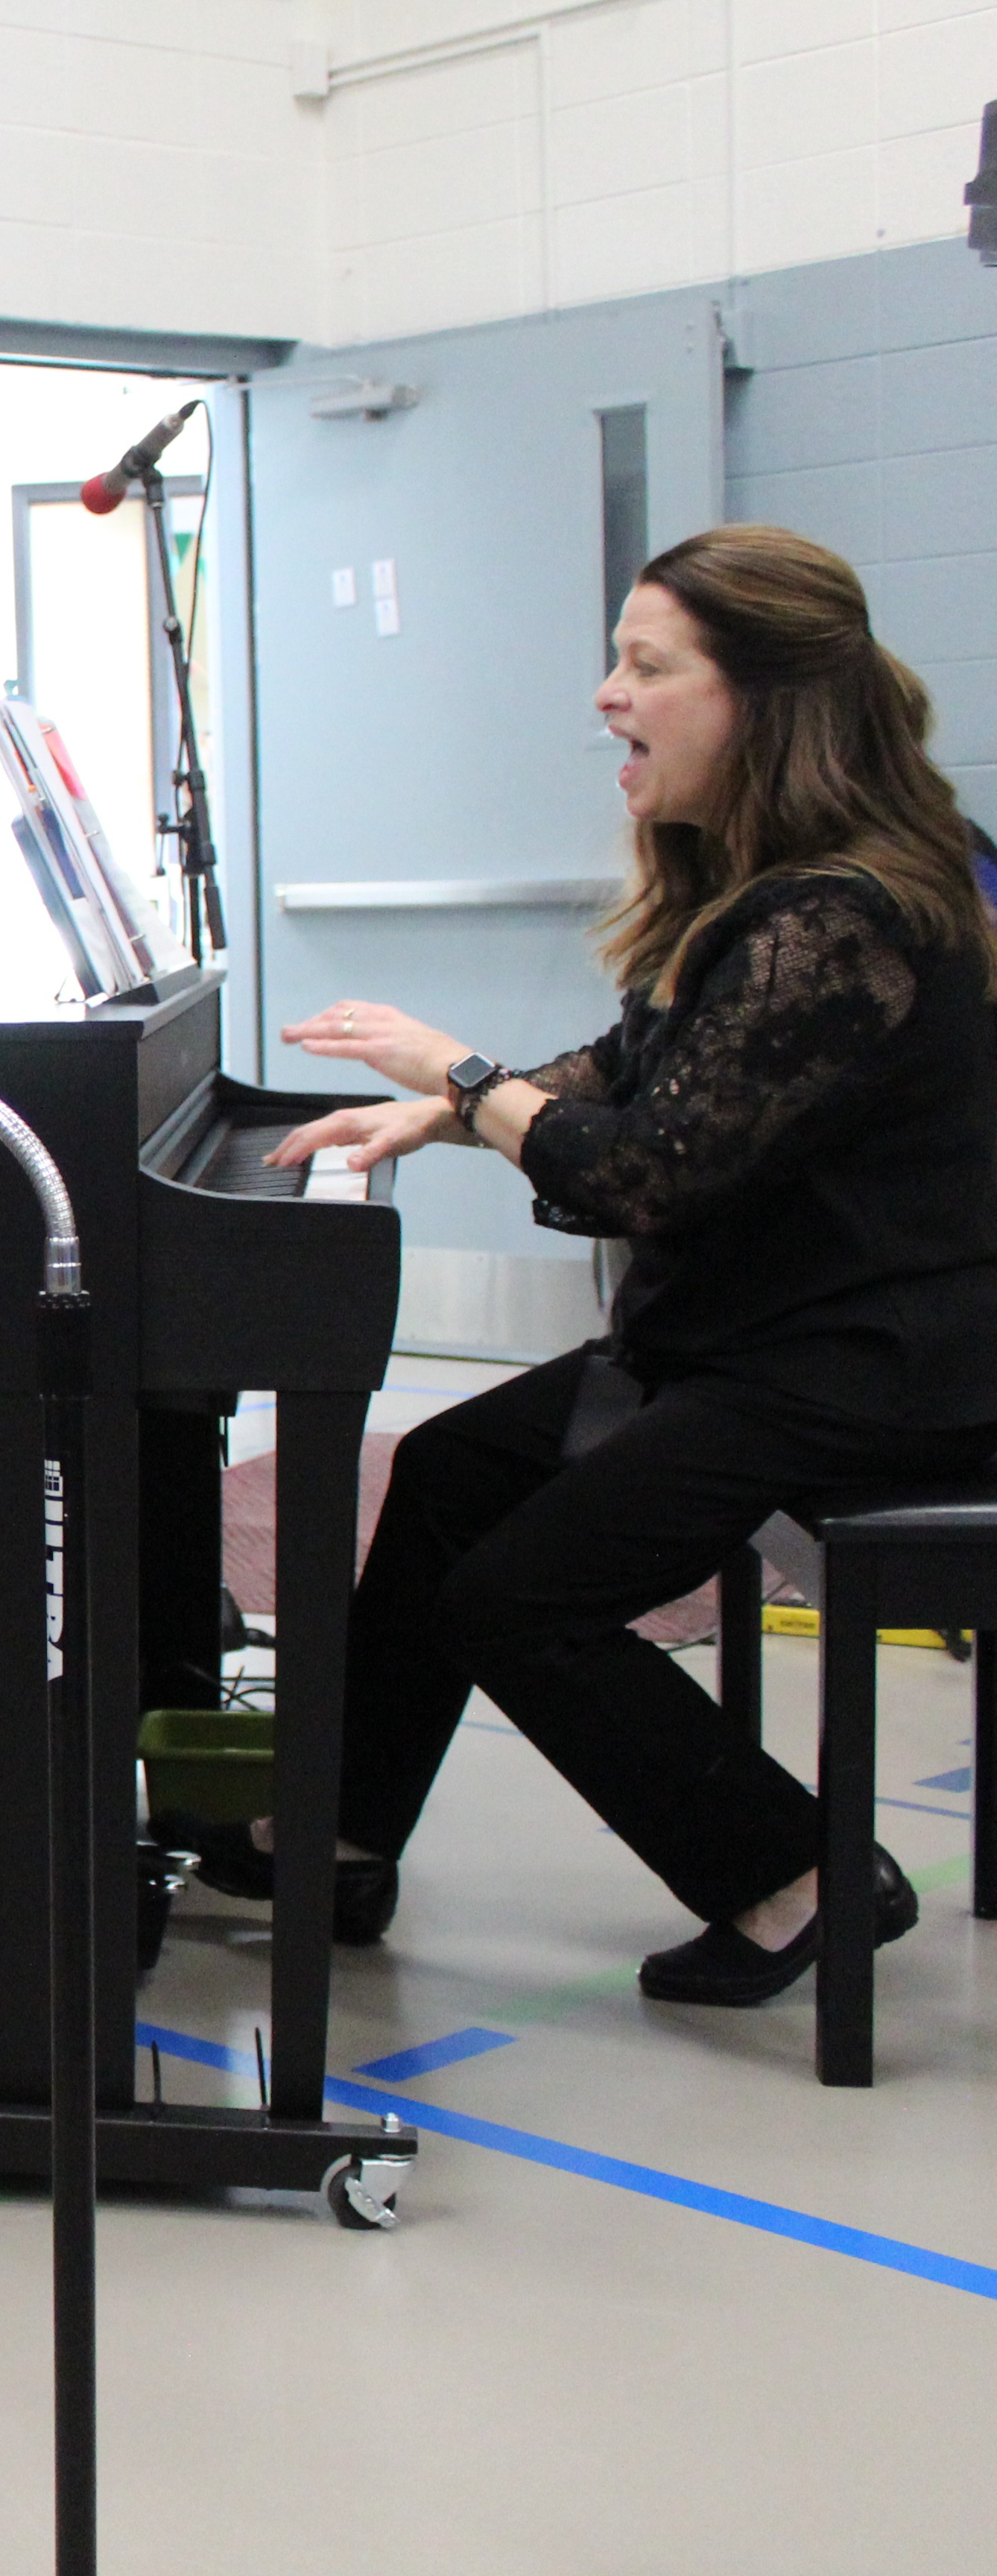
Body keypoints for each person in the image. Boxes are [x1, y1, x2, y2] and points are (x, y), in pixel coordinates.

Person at [225, 524, 997, 2007]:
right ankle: (335, 1839)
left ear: (762, 698)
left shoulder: (836, 915)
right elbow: (657, 1071)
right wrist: (448, 1112)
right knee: (450, 1480)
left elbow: (642, 1167)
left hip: (863, 1368)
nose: (606, 699)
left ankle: (797, 1878)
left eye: (647, 667)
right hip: (764, 1335)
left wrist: (461, 1071)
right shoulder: (780, 885)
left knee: (518, 1599)